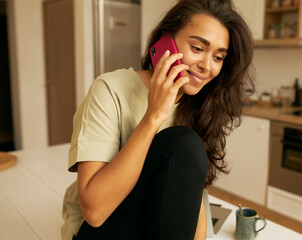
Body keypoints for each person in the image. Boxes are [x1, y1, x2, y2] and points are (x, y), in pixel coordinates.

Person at [61, 0, 254, 239]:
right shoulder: (110, 89)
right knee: (183, 141)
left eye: (218, 57)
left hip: (151, 228)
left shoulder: (200, 106)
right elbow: (95, 211)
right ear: (165, 42)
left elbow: (193, 200)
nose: (207, 66)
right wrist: (154, 115)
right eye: (197, 48)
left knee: (187, 144)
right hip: (97, 231)